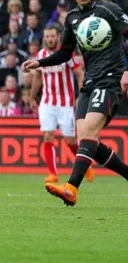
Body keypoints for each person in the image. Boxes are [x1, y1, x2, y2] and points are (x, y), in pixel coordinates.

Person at [23, 0, 128, 206]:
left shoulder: (109, 10)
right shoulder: (71, 18)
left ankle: (71, 187)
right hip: (89, 83)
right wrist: (39, 62)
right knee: (86, 139)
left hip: (110, 78)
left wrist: (127, 71)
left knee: (89, 131)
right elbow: (64, 53)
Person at [30, 25, 94, 184]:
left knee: (70, 141)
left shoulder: (67, 55)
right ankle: (53, 174)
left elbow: (79, 73)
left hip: (65, 103)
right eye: (47, 36)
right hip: (47, 102)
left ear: (58, 37)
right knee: (47, 136)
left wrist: (81, 94)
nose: (49, 39)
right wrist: (32, 97)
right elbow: (37, 77)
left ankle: (85, 165)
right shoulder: (41, 55)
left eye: (52, 36)